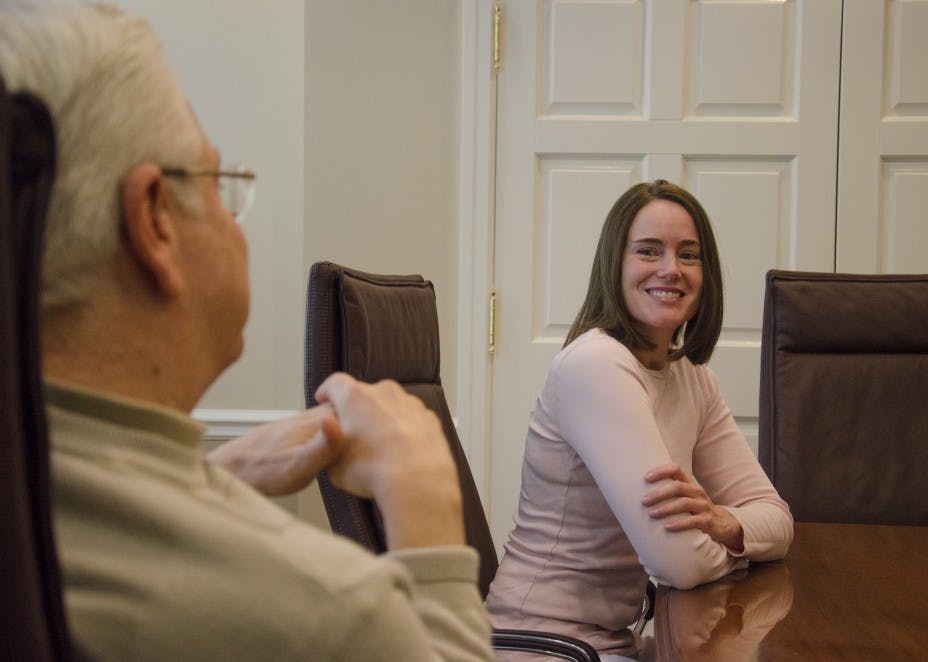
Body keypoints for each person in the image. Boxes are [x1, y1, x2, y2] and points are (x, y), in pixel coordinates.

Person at [0, 1, 492, 660]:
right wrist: (427, 510)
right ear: (155, 222)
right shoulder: (329, 613)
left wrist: (217, 474)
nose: (236, 224)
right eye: (217, 183)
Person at [485, 180, 793, 657]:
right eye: (649, 251)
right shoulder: (596, 366)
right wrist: (736, 549)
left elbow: (778, 520)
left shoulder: (693, 379)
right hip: (542, 645)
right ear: (616, 266)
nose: (671, 269)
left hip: (609, 640)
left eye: (689, 255)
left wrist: (723, 522)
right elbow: (679, 564)